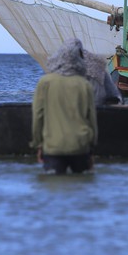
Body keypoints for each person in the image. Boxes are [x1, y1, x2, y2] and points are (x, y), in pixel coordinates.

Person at [30, 39, 98, 174]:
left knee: (53, 189)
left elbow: (38, 116)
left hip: (53, 147)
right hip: (80, 147)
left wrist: (38, 144)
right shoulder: (84, 85)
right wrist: (91, 148)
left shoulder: (45, 83)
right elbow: (92, 120)